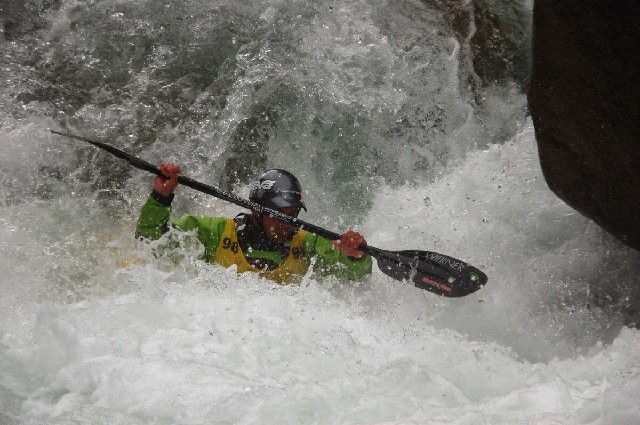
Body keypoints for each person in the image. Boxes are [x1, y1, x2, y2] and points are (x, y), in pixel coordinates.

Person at [136, 164, 372, 283]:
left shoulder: (309, 244)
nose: (287, 223)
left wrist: (356, 255)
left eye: (293, 213)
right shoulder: (213, 233)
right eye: (279, 214)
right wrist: (161, 197)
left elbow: (355, 277)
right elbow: (151, 242)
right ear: (256, 211)